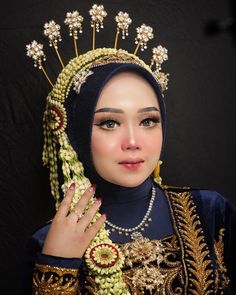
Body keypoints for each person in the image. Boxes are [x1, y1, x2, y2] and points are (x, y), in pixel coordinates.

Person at [25, 5, 236, 295]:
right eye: (109, 123)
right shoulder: (50, 241)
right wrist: (58, 265)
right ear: (73, 133)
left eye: (148, 120)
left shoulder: (210, 212)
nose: (133, 140)